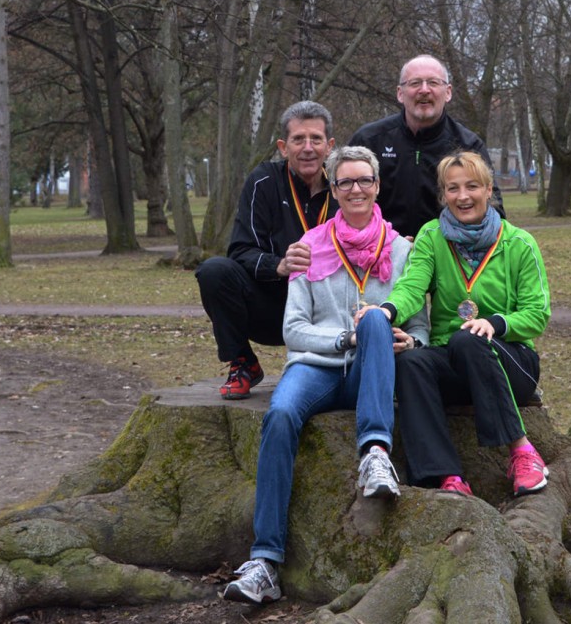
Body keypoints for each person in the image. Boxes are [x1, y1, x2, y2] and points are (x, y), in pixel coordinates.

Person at [222, 146, 429, 604]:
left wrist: (408, 342)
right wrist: (343, 339)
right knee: (279, 417)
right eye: (345, 182)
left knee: (377, 318)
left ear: (377, 186)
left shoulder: (404, 249)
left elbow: (419, 328)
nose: (355, 189)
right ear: (333, 191)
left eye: (364, 180)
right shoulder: (308, 248)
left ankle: (375, 452)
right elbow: (292, 330)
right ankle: (265, 561)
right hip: (316, 368)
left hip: (370, 375)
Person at [360, 150, 551, 498]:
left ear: (489, 189)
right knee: (411, 361)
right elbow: (412, 287)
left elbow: (538, 315)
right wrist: (386, 311)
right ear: (443, 194)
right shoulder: (432, 236)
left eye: (472, 186)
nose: (463, 197)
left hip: (511, 364)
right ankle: (446, 475)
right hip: (453, 361)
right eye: (452, 189)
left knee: (469, 338)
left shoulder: (520, 243)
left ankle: (522, 452)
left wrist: (495, 323)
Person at [195, 101, 337, 400]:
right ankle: (243, 362)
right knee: (214, 271)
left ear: (330, 146)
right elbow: (240, 250)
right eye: (299, 139)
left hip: (331, 309)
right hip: (274, 307)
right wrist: (279, 265)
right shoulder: (263, 181)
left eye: (316, 139)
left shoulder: (345, 185)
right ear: (284, 147)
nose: (308, 148)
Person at [349, 54, 504, 238]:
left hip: (447, 257)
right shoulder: (369, 141)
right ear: (400, 93)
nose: (424, 90)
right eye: (415, 83)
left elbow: (494, 212)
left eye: (433, 82)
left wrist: (436, 248)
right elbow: (341, 203)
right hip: (378, 256)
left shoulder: (468, 145)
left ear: (448, 92)